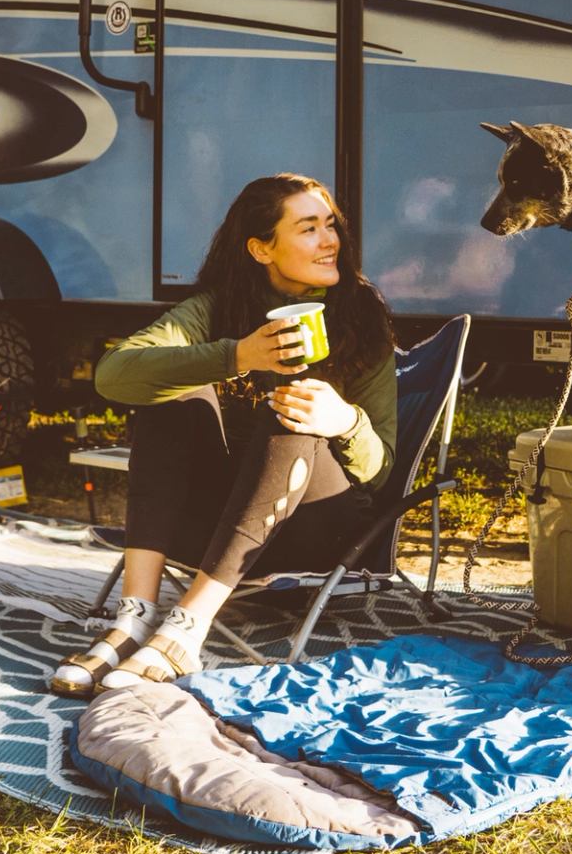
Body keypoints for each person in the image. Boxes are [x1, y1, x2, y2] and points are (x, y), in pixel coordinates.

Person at [50, 174, 397, 696]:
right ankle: (134, 617)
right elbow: (113, 374)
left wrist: (345, 421)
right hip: (219, 534)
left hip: (320, 533)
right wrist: (238, 355)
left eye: (331, 226)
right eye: (308, 229)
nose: (331, 242)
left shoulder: (364, 320)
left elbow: (384, 469)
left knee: (296, 410)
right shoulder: (218, 307)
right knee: (171, 394)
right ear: (261, 248)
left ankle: (188, 628)